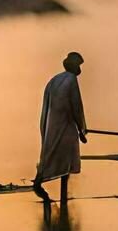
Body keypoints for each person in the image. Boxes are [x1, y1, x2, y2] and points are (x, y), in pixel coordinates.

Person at [34, 51, 88, 202]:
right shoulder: (71, 80)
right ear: (74, 67)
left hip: (53, 124)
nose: (80, 70)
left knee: (51, 153)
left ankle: (42, 181)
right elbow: (76, 106)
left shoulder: (55, 80)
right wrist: (81, 130)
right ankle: (62, 196)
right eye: (79, 66)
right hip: (66, 126)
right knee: (67, 159)